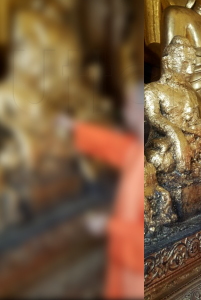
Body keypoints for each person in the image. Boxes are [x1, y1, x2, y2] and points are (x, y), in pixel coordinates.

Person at [56, 83, 145, 299]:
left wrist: (108, 226)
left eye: (127, 107)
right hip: (123, 260)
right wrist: (74, 128)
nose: (123, 112)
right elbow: (110, 144)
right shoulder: (135, 148)